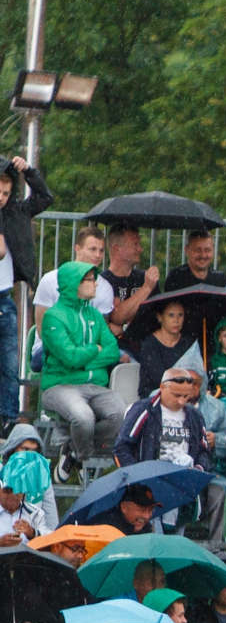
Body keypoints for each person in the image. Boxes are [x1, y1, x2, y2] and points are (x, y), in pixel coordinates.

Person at [39, 260, 127, 482]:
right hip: (60, 385)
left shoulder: (95, 316)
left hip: (95, 385)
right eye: (89, 280)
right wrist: (93, 350)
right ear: (74, 284)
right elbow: (69, 357)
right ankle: (83, 457)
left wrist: (84, 359)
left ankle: (73, 450)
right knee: (83, 417)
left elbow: (113, 351)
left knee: (121, 414)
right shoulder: (54, 316)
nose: (96, 284)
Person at [0, 157, 50, 429]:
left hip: (3, 298)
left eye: (6, 193)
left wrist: (28, 171)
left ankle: (8, 417)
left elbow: (44, 198)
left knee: (8, 363)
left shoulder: (15, 211)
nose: (2, 197)